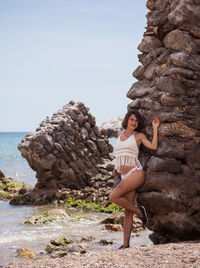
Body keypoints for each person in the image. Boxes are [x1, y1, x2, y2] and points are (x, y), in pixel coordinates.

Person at [109, 110, 160, 249]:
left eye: (136, 121)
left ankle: (140, 212)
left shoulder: (139, 136)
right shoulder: (119, 135)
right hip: (124, 175)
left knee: (113, 196)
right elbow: (119, 154)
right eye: (131, 119)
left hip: (135, 172)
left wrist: (155, 128)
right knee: (127, 212)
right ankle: (126, 245)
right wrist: (116, 168)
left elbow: (153, 146)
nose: (134, 122)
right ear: (127, 120)